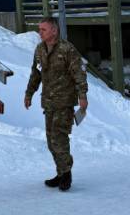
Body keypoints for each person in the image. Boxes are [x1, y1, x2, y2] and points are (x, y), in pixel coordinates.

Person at [24, 18, 89, 192]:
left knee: (59, 138)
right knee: (51, 141)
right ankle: (60, 172)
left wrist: (82, 96)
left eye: (43, 29)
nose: (40, 32)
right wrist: (29, 93)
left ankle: (66, 174)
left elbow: (79, 74)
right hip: (49, 102)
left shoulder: (67, 49)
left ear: (54, 31)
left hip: (64, 102)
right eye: (39, 29)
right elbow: (35, 74)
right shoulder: (40, 50)